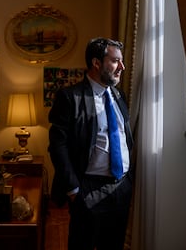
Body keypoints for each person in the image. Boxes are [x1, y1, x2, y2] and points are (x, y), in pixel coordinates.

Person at [48, 37, 134, 250]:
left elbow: (124, 138)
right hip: (88, 189)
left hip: (121, 187)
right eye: (115, 61)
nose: (122, 67)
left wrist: (128, 182)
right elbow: (58, 146)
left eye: (121, 61)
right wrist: (74, 190)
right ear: (97, 63)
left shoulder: (118, 95)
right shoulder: (70, 97)